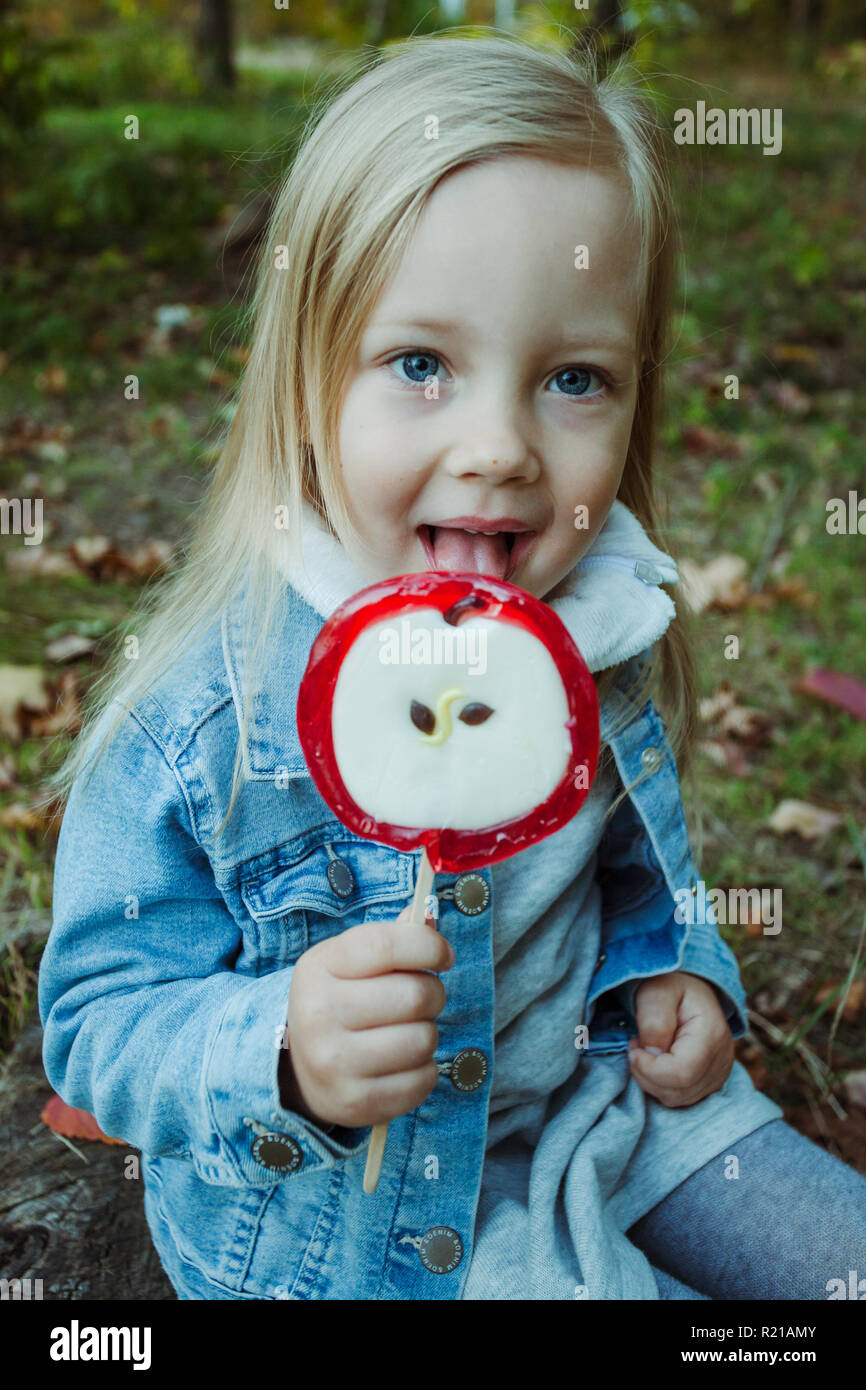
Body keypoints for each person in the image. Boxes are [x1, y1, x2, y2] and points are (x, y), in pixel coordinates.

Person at [38, 32, 866, 1300]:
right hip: (361, 1221)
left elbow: (646, 876)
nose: (498, 447)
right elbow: (97, 1022)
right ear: (306, 379)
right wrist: (281, 1050)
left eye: (571, 378)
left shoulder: (593, 631)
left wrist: (679, 968)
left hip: (609, 1115)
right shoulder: (203, 708)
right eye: (419, 364)